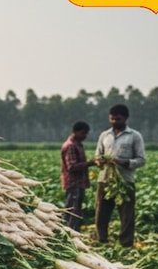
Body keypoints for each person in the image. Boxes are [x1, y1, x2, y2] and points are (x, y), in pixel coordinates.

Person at [93, 104, 146, 247]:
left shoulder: (134, 136)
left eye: (118, 119)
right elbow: (97, 156)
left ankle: (126, 243)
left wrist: (123, 162)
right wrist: (100, 161)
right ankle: (101, 240)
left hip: (125, 181)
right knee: (101, 213)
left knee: (127, 214)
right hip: (104, 180)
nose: (114, 121)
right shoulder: (104, 135)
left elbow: (141, 160)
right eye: (112, 119)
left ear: (126, 118)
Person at [60, 121, 96, 231]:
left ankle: (73, 233)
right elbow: (72, 167)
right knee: (72, 211)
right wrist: (90, 163)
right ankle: (69, 234)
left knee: (76, 210)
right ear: (75, 132)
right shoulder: (71, 145)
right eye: (83, 133)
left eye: (86, 133)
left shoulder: (77, 144)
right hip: (73, 183)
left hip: (78, 183)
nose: (85, 136)